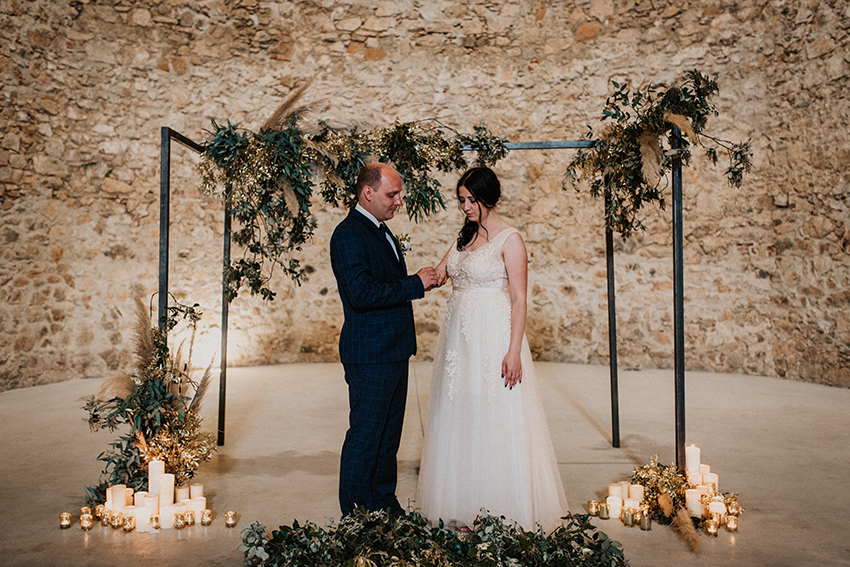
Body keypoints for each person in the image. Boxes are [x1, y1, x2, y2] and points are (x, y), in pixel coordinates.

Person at [417, 167, 569, 532]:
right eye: (462, 200)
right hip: (459, 342)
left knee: (493, 415)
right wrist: (416, 274)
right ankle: (462, 506)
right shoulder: (464, 236)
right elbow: (440, 274)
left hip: (493, 337)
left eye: (472, 200)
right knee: (461, 413)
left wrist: (513, 351)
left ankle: (500, 508)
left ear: (489, 198)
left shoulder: (510, 239)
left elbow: (519, 299)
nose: (465, 207)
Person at [330, 162, 441, 517]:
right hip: (370, 353)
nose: (399, 202)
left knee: (388, 437)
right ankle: (355, 515)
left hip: (392, 350)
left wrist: (415, 280)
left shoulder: (379, 230)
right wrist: (415, 284)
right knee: (366, 437)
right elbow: (361, 293)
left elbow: (381, 283)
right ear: (368, 192)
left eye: (399, 195)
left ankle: (383, 503)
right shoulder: (348, 234)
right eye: (392, 195)